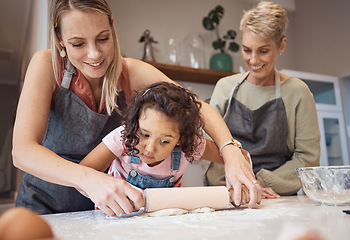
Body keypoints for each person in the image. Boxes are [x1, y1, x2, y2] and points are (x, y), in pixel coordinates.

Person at [12, 0, 261, 216]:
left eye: (103, 38)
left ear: (112, 26)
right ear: (60, 40)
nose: (94, 53)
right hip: (43, 207)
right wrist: (90, 178)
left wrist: (230, 152)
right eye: (78, 44)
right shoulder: (47, 65)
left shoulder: (130, 71)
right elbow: (22, 151)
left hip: (104, 212)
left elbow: (194, 106)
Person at [79, 82, 252, 215]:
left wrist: (249, 184)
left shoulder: (190, 145)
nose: (150, 149)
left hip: (164, 221)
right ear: (134, 123)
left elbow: (241, 156)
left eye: (164, 141)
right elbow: (82, 175)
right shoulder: (122, 137)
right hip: (116, 218)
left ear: (180, 139)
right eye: (144, 134)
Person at [205, 1, 320, 197]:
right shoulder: (225, 87)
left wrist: (260, 183)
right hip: (226, 192)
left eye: (263, 51)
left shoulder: (298, 92)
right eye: (247, 50)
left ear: (281, 45)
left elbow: (307, 159)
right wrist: (237, 186)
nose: (253, 60)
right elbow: (210, 147)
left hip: (276, 195)